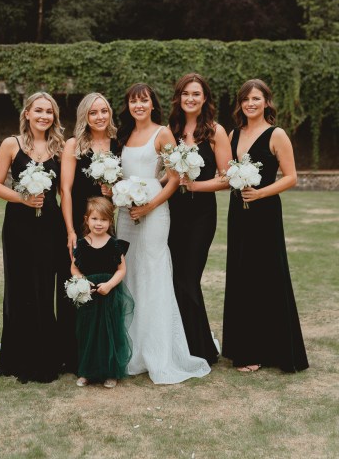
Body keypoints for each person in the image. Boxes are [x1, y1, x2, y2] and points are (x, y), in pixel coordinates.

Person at [116, 82, 211, 384]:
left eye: (143, 101)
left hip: (154, 213)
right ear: (128, 106)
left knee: (153, 274)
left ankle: (157, 352)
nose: (138, 106)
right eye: (133, 101)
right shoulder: (124, 134)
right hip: (125, 214)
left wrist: (148, 206)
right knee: (129, 273)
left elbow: (173, 179)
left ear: (153, 104)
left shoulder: (163, 133)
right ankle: (131, 349)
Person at [222, 79, 309, 373]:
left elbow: (291, 176)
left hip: (265, 211)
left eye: (256, 98)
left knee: (265, 275)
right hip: (239, 210)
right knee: (240, 273)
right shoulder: (234, 133)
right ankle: (244, 348)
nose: (250, 104)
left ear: (266, 102)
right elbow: (226, 173)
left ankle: (268, 349)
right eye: (246, 99)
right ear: (240, 103)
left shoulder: (277, 134)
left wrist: (260, 192)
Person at [0, 91, 65, 383]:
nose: (44, 116)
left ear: (54, 118)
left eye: (49, 112)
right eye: (39, 110)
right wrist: (23, 198)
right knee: (19, 287)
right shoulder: (12, 144)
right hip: (18, 225)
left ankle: (45, 355)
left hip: (49, 225)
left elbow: (64, 192)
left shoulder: (59, 148)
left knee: (43, 288)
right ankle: (16, 356)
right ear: (27, 114)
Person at [168, 73, 232, 364]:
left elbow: (227, 179)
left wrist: (193, 185)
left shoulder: (215, 131)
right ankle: (180, 344)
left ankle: (200, 348)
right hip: (171, 213)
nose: (190, 99)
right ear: (178, 98)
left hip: (201, 215)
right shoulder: (171, 129)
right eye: (185, 94)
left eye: (196, 94)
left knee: (188, 278)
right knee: (172, 277)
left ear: (205, 98)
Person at [59, 93, 117, 372]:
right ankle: (72, 354)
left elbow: (126, 185)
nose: (99, 117)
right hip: (80, 224)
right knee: (76, 283)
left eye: (104, 111)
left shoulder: (119, 144)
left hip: (106, 225)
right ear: (85, 116)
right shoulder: (74, 145)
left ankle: (103, 351)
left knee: (104, 286)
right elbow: (65, 190)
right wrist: (70, 230)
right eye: (93, 112)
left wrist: (112, 190)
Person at [71, 197, 134, 388]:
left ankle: (110, 372)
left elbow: (121, 270)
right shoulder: (81, 244)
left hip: (109, 295)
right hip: (89, 297)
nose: (99, 224)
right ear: (86, 219)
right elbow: (74, 269)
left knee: (109, 332)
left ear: (110, 221)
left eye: (104, 220)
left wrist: (109, 285)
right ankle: (86, 372)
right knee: (88, 333)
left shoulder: (115, 244)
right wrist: (82, 282)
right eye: (95, 219)